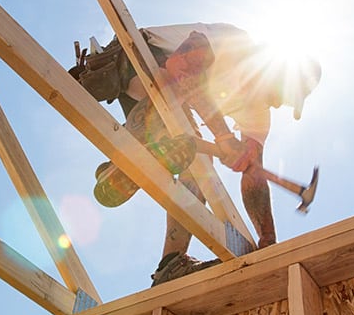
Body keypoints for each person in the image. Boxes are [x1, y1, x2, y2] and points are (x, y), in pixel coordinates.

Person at [69, 23, 321, 286]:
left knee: (197, 162)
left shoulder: (258, 112)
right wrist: (223, 136)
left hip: (156, 98)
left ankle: (170, 263)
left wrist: (267, 240)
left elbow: (253, 173)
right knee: (176, 94)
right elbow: (182, 67)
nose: (279, 104)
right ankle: (131, 153)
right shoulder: (236, 44)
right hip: (138, 58)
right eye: (284, 95)